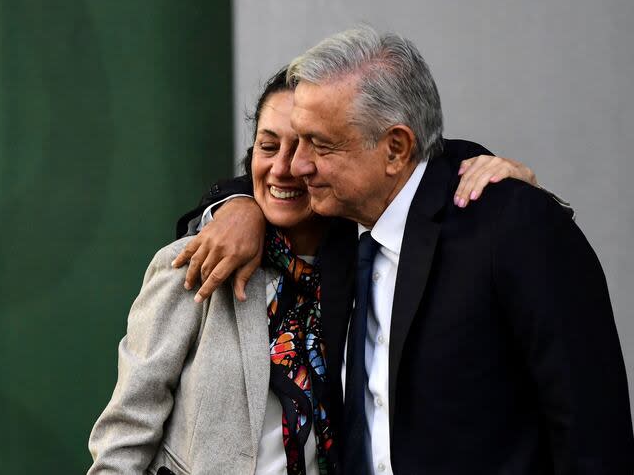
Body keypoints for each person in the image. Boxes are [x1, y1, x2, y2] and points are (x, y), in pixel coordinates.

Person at [173, 28, 633, 474]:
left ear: (395, 149)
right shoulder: (335, 223)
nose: (298, 165)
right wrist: (238, 206)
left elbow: (593, 435)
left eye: (320, 144)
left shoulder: (511, 228)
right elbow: (271, 185)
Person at [87, 65, 539, 474]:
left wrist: (492, 170)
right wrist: (236, 203)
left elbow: (411, 167)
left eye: (308, 147)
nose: (286, 168)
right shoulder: (200, 259)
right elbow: (125, 436)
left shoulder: (371, 269)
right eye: (268, 146)